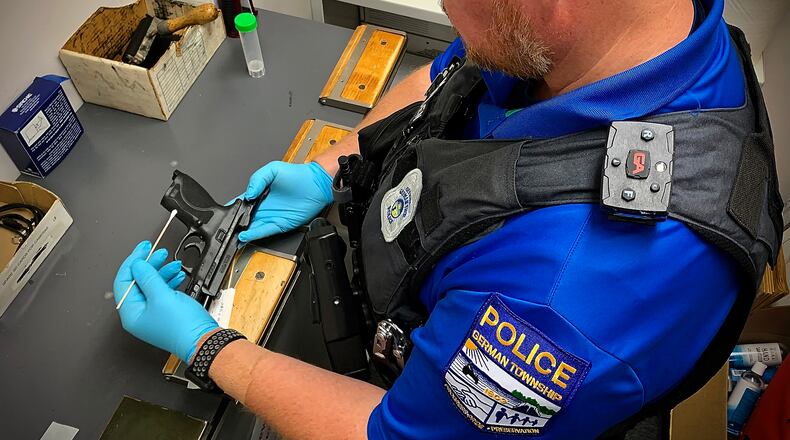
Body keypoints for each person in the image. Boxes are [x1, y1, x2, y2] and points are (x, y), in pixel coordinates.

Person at [113, 0, 782, 438]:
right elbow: (450, 73)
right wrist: (328, 168)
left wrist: (211, 349)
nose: (444, 10)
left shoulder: (561, 302)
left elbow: (393, 433)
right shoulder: (652, 27)